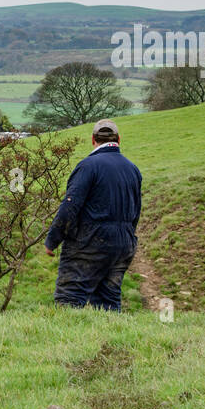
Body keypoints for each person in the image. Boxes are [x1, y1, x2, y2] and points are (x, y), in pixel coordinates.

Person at [44, 119, 142, 311]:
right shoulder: (132, 169)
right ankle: (110, 339)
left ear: (93, 140)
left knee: (69, 298)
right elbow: (136, 210)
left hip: (90, 242)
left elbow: (70, 206)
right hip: (123, 244)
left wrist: (53, 239)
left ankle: (65, 340)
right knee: (108, 301)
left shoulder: (88, 166)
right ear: (119, 139)